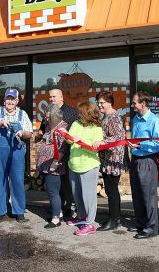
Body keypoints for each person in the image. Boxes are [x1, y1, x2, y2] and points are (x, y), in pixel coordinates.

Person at [0, 88, 33, 223]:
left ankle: (19, 211)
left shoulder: (23, 114)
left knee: (17, 180)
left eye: (13, 99)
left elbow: (30, 133)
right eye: (8, 99)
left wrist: (23, 133)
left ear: (17, 101)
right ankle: (0, 210)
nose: (10, 101)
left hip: (17, 150)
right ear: (4, 100)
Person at [127, 91, 159, 239]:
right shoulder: (135, 118)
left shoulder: (155, 121)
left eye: (134, 102)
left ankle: (152, 227)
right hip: (135, 159)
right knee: (137, 194)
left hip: (147, 160)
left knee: (148, 196)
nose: (132, 105)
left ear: (143, 103)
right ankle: (141, 223)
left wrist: (140, 145)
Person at [39, 88, 79, 218]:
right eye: (50, 97)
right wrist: (40, 135)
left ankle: (69, 206)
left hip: (66, 153)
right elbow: (43, 128)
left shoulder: (72, 112)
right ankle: (58, 208)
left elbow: (74, 131)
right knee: (55, 184)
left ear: (62, 97)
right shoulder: (48, 112)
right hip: (52, 156)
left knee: (67, 183)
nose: (51, 99)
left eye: (54, 97)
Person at [65, 101, 103, 236]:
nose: (78, 115)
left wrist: (82, 143)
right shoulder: (76, 123)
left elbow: (94, 150)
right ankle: (81, 216)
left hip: (89, 166)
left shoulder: (97, 128)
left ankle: (90, 224)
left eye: (81, 113)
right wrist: (72, 138)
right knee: (77, 194)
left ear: (88, 114)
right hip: (74, 164)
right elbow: (69, 139)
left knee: (89, 197)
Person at [92, 91, 127, 231]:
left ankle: (114, 220)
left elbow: (118, 136)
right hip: (107, 157)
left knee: (112, 191)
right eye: (98, 102)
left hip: (113, 159)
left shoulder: (113, 117)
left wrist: (102, 141)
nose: (99, 105)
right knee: (111, 190)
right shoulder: (106, 116)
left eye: (102, 102)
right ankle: (115, 218)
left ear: (110, 103)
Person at [36, 104, 67, 229]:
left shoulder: (62, 128)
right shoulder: (50, 126)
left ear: (56, 116)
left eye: (49, 118)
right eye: (46, 117)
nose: (47, 120)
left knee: (53, 191)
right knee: (52, 191)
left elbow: (63, 148)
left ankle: (55, 219)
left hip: (54, 164)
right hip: (47, 164)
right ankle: (58, 213)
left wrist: (55, 162)